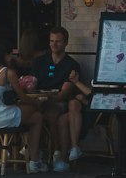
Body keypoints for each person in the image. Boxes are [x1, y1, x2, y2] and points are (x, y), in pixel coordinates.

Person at [0, 36, 46, 173]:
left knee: (31, 115)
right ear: (4, 54)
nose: (12, 57)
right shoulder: (7, 72)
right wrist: (37, 102)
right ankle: (34, 160)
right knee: (37, 115)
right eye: (11, 54)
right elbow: (22, 96)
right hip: (2, 117)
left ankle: (19, 150)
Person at [31, 27, 87, 170]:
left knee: (53, 113)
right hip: (38, 101)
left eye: (58, 42)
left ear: (66, 42)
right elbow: (31, 83)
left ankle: (55, 151)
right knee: (26, 111)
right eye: (51, 41)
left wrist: (47, 98)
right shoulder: (39, 62)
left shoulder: (71, 65)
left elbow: (63, 94)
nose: (54, 45)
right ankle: (32, 152)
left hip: (58, 102)